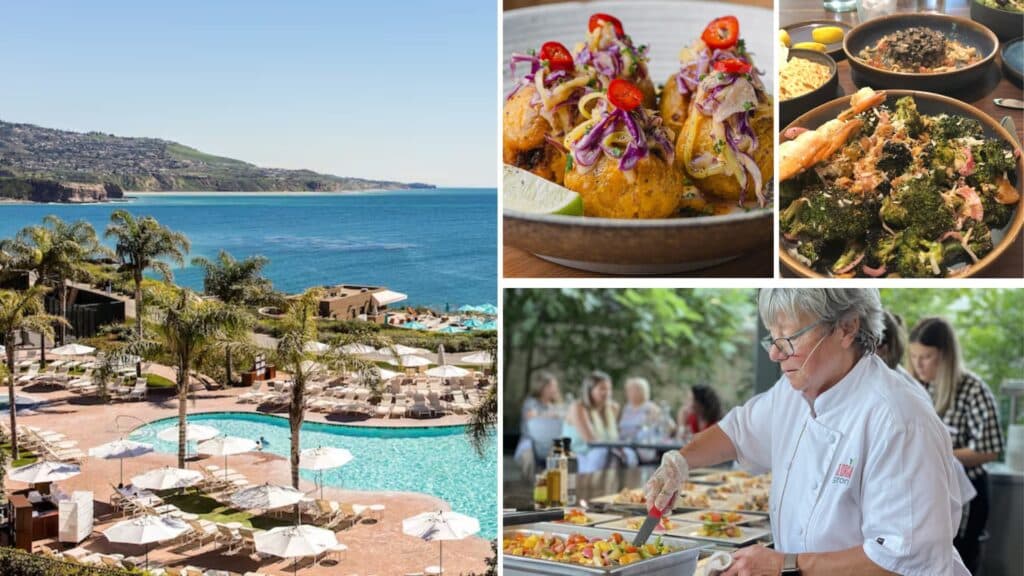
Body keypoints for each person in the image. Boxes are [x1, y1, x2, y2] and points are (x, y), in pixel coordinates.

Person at [645, 288, 969, 575]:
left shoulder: (899, 418)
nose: (774, 353)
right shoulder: (793, 390)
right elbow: (738, 431)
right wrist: (680, 462)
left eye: (789, 336)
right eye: (772, 337)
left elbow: (903, 561)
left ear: (847, 327)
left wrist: (784, 565)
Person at [910, 317, 1004, 575]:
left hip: (968, 495)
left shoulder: (973, 390)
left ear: (945, 356)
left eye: (926, 356)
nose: (918, 364)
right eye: (914, 356)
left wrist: (937, 452)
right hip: (929, 494)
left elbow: (988, 450)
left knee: (960, 560)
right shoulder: (918, 387)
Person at [564, 370, 637, 473]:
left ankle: (626, 487)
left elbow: (616, 436)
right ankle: (594, 487)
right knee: (601, 454)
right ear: (590, 390)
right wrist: (615, 448)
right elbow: (590, 440)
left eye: (609, 389)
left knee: (630, 454)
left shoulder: (613, 408)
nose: (607, 393)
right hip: (579, 454)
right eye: (602, 389)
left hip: (606, 451)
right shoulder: (578, 407)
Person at [513, 371, 563, 474]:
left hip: (550, 443)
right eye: (551, 386)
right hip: (530, 441)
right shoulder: (531, 402)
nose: (554, 389)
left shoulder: (554, 405)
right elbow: (531, 417)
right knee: (527, 458)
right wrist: (551, 415)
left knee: (559, 456)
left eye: (555, 386)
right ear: (542, 387)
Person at [618, 377, 661, 442]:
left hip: (642, 445)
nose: (628, 393)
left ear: (642, 391)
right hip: (623, 442)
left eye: (632, 390)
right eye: (628, 390)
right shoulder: (627, 408)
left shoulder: (651, 408)